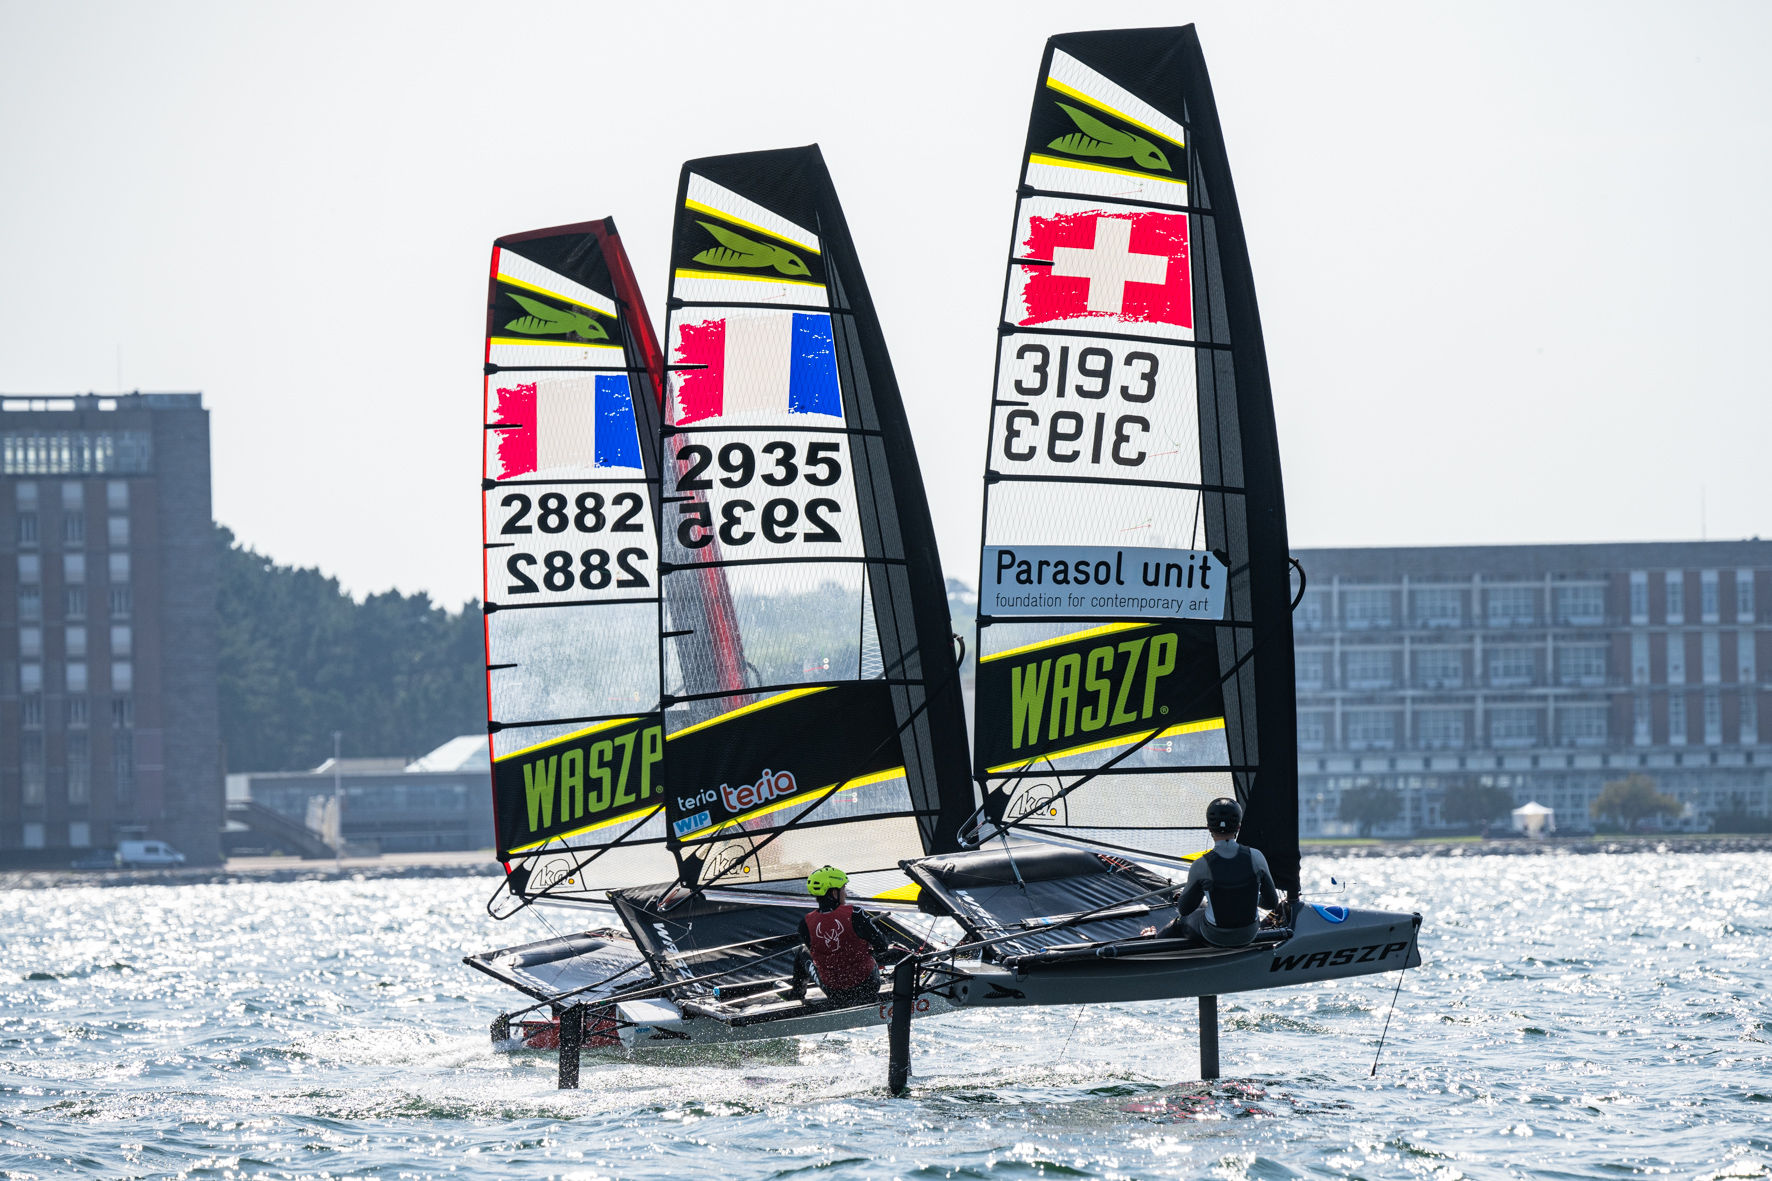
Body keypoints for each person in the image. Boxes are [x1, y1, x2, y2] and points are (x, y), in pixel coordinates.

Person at [1146, 798, 1281, 947]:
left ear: (1209, 827)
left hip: (1215, 936)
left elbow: (1184, 909)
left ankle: (1152, 942)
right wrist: (1246, 898)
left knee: (1181, 921)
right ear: (1239, 827)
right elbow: (1271, 903)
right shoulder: (1257, 857)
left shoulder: (1201, 864)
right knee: (1206, 906)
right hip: (1249, 933)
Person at [788, 865, 896, 1008]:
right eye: (843, 889)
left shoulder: (805, 924)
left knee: (802, 951)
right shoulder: (855, 913)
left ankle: (796, 996)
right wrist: (868, 947)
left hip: (834, 992)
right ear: (834, 893)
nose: (845, 894)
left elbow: (817, 955)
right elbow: (882, 946)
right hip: (868, 986)